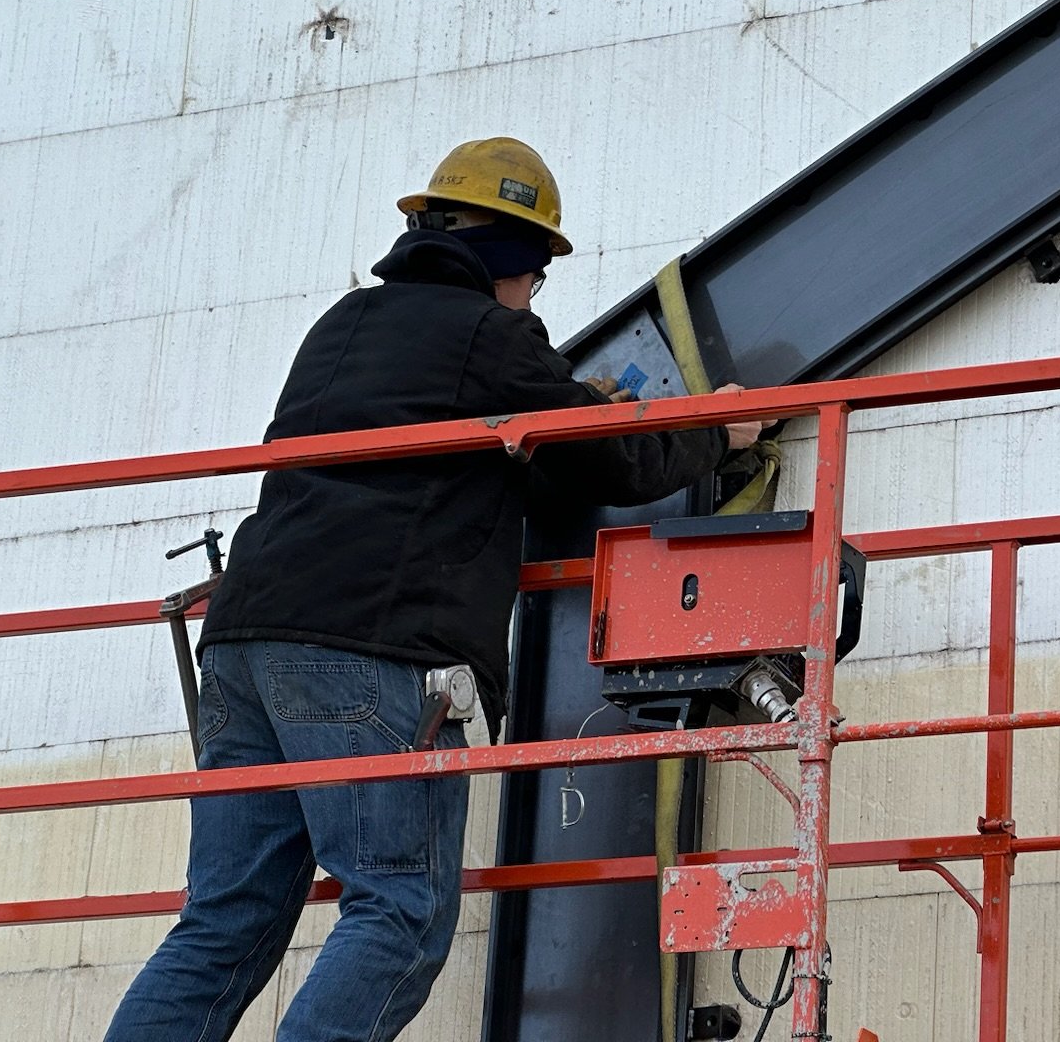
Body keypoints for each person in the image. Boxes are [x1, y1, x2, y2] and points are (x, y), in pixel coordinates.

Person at [106, 137, 761, 1042]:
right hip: (371, 651)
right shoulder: (491, 337)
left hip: (246, 646)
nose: (534, 299)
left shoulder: (343, 325)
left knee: (225, 923)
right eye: (535, 278)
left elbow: (451, 458)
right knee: (400, 911)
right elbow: (607, 459)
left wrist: (562, 406)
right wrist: (710, 433)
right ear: (507, 260)